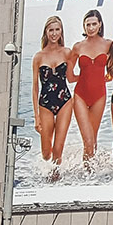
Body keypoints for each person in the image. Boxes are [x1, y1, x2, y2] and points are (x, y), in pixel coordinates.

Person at [68, 9, 113, 162]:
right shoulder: (78, 47)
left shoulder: (109, 45)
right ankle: (88, 176)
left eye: (94, 24)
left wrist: (108, 75)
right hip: (80, 95)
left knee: (93, 140)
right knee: (87, 140)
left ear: (100, 25)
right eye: (88, 24)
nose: (91, 27)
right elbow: (69, 76)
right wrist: (84, 77)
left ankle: (90, 175)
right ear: (84, 26)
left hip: (99, 96)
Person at [32, 16, 73, 175]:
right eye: (51, 30)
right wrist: (36, 116)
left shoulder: (67, 52)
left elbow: (72, 76)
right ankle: (47, 175)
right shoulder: (38, 57)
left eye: (57, 30)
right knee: (46, 152)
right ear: (46, 32)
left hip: (65, 101)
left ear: (61, 31)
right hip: (45, 104)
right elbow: (35, 87)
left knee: (58, 149)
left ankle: (55, 180)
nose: (54, 33)